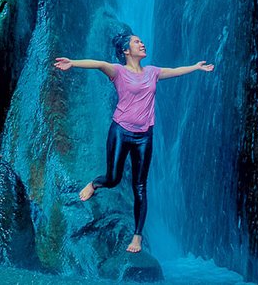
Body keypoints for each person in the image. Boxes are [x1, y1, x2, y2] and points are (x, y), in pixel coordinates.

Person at [53, 31, 215, 253]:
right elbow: (98, 63)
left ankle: (137, 237)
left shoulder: (152, 72)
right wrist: (73, 63)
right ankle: (94, 184)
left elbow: (175, 71)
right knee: (113, 178)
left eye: (142, 41)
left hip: (144, 136)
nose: (142, 44)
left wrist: (195, 67)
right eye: (137, 42)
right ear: (126, 51)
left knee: (140, 187)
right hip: (120, 131)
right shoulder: (118, 72)